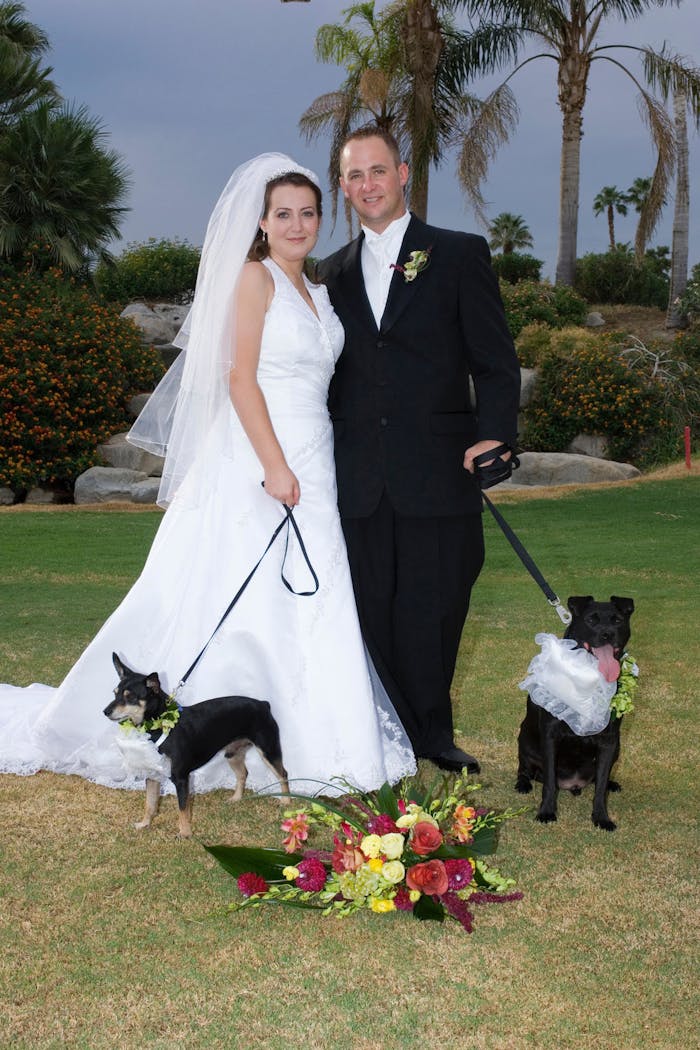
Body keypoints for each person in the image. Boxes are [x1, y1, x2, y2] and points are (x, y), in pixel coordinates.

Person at [0, 153, 415, 797]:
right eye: (284, 214)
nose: (298, 224)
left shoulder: (321, 289)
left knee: (316, 588)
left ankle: (321, 736)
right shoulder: (255, 280)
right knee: (238, 587)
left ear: (321, 219)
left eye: (309, 213)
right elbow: (240, 379)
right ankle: (205, 733)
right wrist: (275, 466)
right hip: (259, 457)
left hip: (316, 454)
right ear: (262, 222)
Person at [319, 127, 521, 773]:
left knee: (435, 609)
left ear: (403, 173)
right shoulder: (329, 275)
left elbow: (494, 361)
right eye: (355, 175)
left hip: (439, 471)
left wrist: (496, 433)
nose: (368, 185)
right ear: (344, 186)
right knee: (370, 609)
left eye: (379, 171)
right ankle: (387, 737)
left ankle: (433, 735)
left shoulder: (459, 254)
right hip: (357, 478)